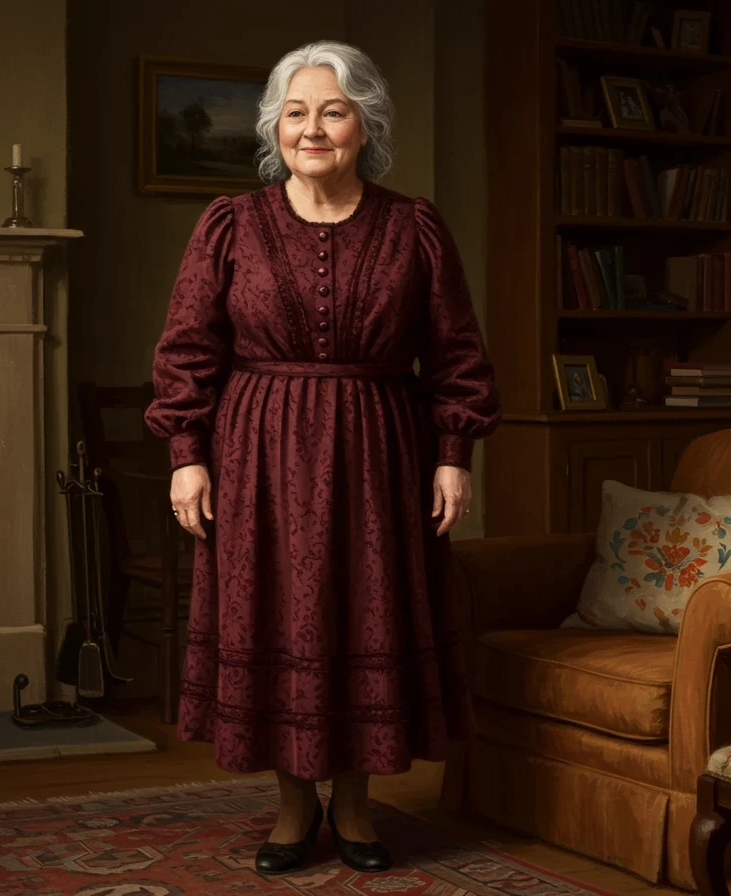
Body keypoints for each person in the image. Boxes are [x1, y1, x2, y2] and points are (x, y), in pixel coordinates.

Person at [144, 40, 500, 876]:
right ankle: (293, 805)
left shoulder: (415, 226)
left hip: (382, 454)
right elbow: (187, 349)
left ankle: (356, 805)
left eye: (333, 111)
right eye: (296, 112)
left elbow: (455, 352)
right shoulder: (228, 223)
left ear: (363, 125)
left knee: (365, 611)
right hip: (257, 455)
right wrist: (185, 455)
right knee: (273, 615)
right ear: (275, 126)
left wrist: (455, 453)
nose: (314, 128)